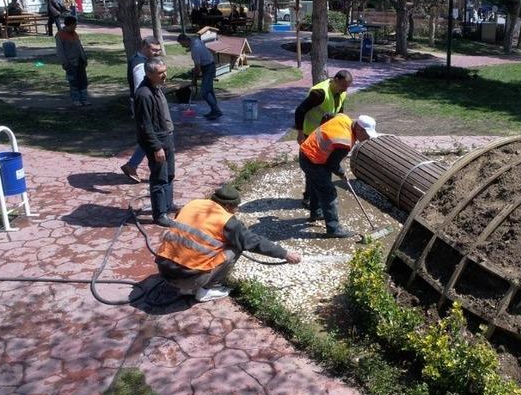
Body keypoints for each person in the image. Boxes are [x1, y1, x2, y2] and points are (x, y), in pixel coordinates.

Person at [155, 185, 302, 302]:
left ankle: (185, 287)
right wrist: (285, 254)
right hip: (189, 278)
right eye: (235, 207)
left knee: (216, 241)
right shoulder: (226, 221)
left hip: (164, 269)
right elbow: (253, 242)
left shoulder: (194, 203)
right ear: (228, 206)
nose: (236, 211)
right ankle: (205, 290)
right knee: (236, 246)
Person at [299, 113, 377, 238]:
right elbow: (332, 164)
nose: (367, 138)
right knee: (329, 192)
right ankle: (333, 228)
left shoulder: (343, 118)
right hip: (313, 160)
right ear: (360, 129)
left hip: (307, 151)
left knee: (317, 185)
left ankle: (316, 212)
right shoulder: (345, 142)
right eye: (367, 135)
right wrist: (342, 172)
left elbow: (327, 116)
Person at [294, 70, 352, 207]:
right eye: (344, 85)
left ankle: (315, 198)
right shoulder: (319, 93)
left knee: (320, 165)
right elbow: (300, 111)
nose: (345, 89)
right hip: (311, 134)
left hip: (326, 136)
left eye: (347, 86)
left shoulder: (342, 93)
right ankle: (309, 197)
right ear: (336, 80)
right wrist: (300, 133)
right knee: (312, 165)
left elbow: (339, 113)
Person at [135, 57, 176, 226]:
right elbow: (145, 125)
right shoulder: (144, 94)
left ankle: (167, 204)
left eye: (165, 71)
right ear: (150, 74)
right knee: (159, 178)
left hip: (166, 136)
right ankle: (160, 214)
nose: (165, 75)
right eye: (161, 73)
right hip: (157, 141)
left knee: (170, 174)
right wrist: (156, 147)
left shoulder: (157, 87)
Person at [121, 36, 163, 183]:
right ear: (145, 47)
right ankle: (134, 165)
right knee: (150, 135)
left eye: (158, 50)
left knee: (148, 136)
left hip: (144, 103)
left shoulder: (142, 60)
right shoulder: (139, 64)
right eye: (154, 50)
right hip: (144, 105)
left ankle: (132, 165)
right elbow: (142, 89)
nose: (157, 53)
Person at [177, 33, 222, 119]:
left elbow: (197, 68)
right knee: (209, 90)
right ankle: (214, 110)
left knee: (204, 92)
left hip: (208, 68)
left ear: (185, 41)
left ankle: (216, 111)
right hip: (209, 64)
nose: (182, 46)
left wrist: (194, 79)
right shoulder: (195, 40)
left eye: (181, 44)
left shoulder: (195, 50)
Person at [55, 16, 90, 107]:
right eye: (74, 25)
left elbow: (80, 47)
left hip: (80, 61)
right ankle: (76, 99)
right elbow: (60, 51)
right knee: (74, 82)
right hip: (70, 63)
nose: (75, 27)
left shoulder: (75, 34)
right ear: (69, 25)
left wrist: (84, 58)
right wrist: (65, 63)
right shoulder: (60, 35)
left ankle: (84, 99)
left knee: (83, 81)